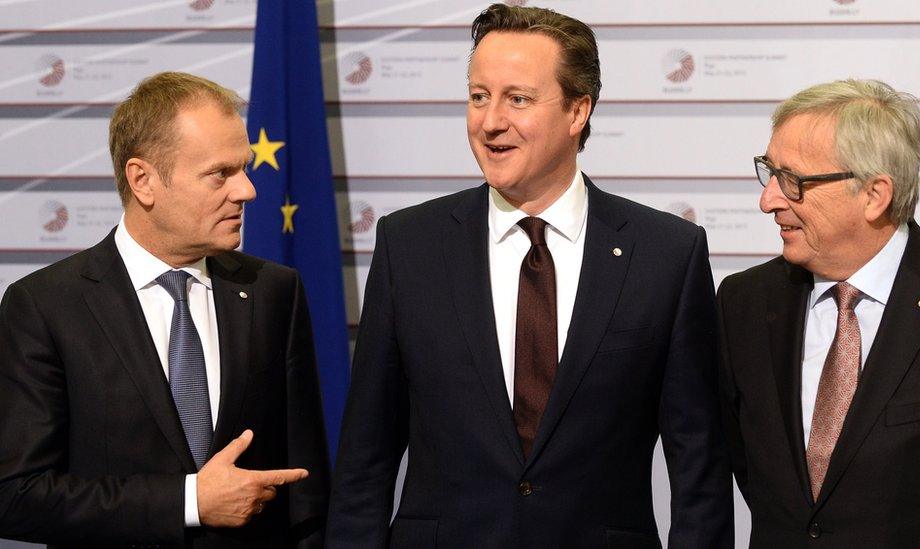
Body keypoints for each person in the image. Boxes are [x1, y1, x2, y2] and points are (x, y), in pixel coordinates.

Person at [327, 4, 733, 547]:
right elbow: (365, 461)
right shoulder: (411, 246)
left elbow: (700, 471)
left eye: (517, 99)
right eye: (478, 96)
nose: (490, 121)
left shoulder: (666, 254)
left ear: (577, 111)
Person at [0, 72, 330, 547]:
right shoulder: (47, 306)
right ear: (143, 180)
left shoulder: (273, 291)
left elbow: (305, 483)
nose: (246, 191)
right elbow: (16, 494)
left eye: (244, 169)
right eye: (221, 173)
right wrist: (189, 501)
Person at [718, 79, 920, 547]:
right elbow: (745, 467)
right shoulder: (744, 302)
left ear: (875, 195)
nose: (769, 199)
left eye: (793, 180)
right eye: (769, 172)